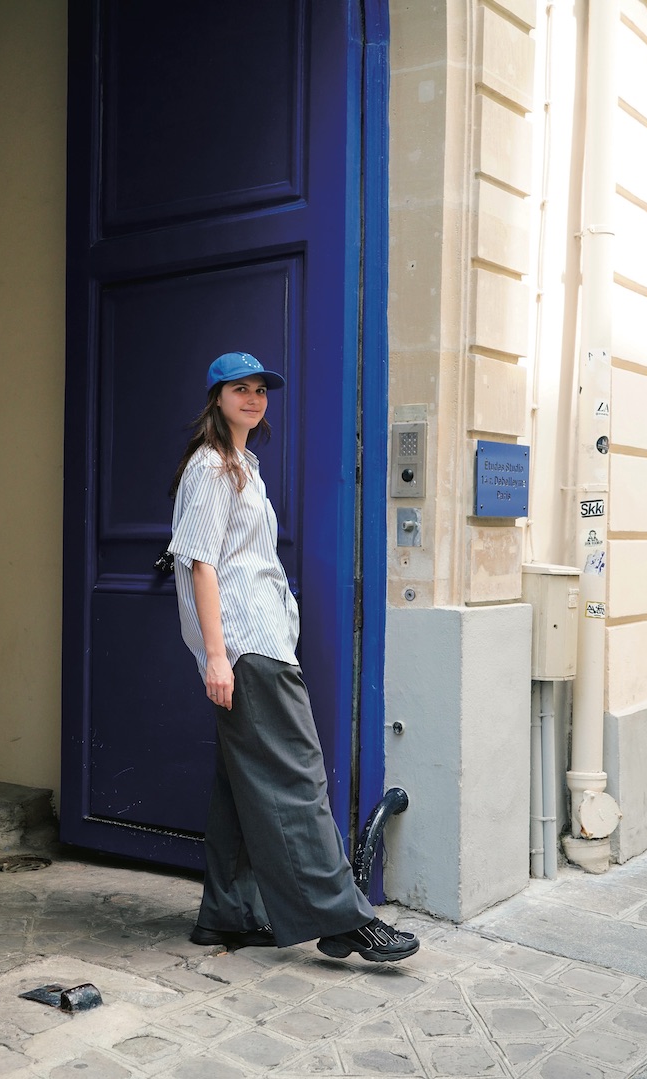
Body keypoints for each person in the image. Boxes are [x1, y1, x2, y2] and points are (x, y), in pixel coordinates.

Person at [167, 351, 419, 963]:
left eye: (261, 390)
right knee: (298, 778)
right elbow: (200, 564)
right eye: (240, 389)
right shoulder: (212, 467)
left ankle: (226, 914)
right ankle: (343, 919)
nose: (254, 399)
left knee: (241, 784)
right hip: (247, 646)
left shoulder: (242, 466)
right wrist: (217, 657)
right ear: (217, 397)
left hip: (261, 640)